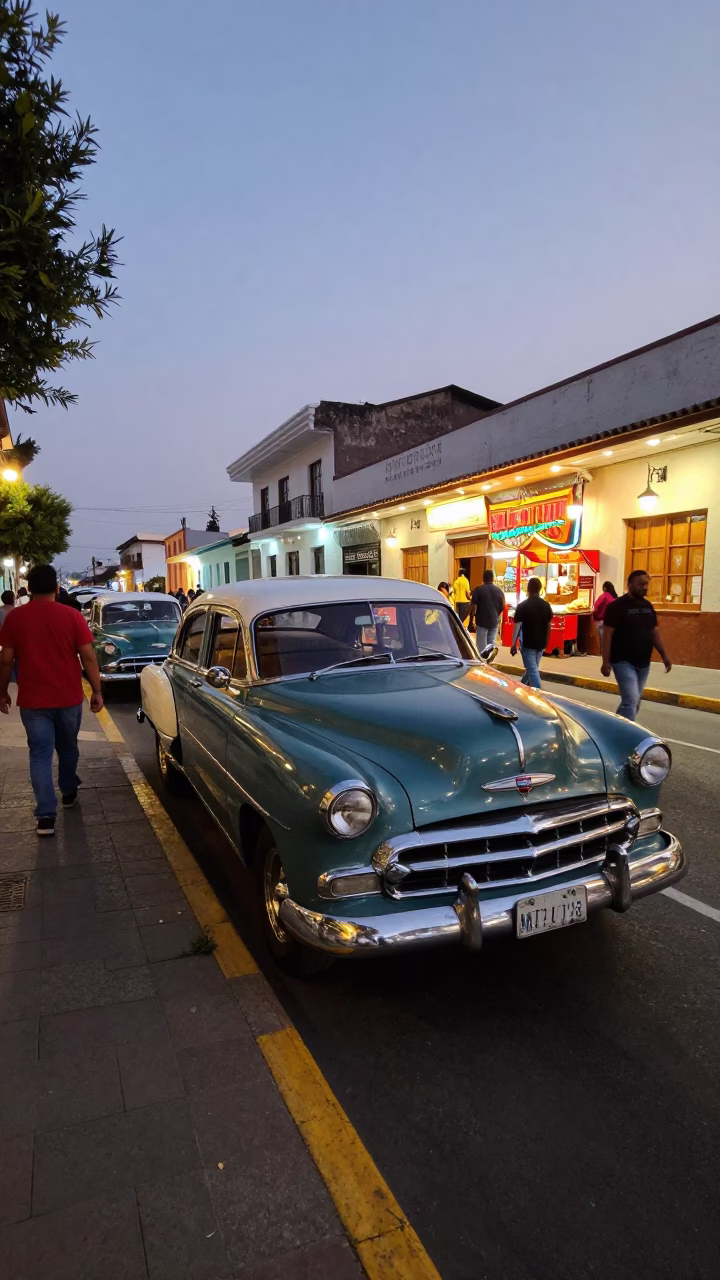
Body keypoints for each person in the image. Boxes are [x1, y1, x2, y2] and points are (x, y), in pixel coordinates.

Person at [0, 564, 104, 836]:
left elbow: (5, 660)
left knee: (39, 755)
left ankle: (45, 816)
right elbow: (88, 656)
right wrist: (97, 690)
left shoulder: (15, 618)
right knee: (68, 748)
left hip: (33, 701)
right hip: (68, 697)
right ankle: (68, 791)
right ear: (57, 588)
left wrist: (1, 693)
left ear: (29, 589)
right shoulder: (72, 616)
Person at [601, 569, 672, 720]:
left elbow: (654, 632)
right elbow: (607, 635)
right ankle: (625, 736)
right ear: (630, 585)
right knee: (631, 700)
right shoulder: (617, 606)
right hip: (622, 660)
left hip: (644, 662)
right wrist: (605, 661)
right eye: (641, 584)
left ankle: (616, 726)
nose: (645, 587)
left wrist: (664, 655)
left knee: (634, 701)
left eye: (646, 584)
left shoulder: (648, 606)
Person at [510, 577, 553, 689]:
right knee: (532, 669)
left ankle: (540, 696)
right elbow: (549, 625)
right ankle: (520, 689)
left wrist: (513, 643)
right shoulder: (546, 606)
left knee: (532, 671)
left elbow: (517, 625)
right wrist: (546, 641)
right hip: (541, 644)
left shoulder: (522, 606)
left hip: (528, 644)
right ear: (540, 589)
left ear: (528, 589)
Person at [469, 569, 505, 650]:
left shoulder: (478, 590)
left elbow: (473, 608)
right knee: (490, 646)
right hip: (494, 622)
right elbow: (502, 607)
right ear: (492, 578)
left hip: (481, 622)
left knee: (481, 647)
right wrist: (495, 614)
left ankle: (482, 661)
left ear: (483, 578)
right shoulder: (500, 592)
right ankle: (489, 661)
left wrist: (471, 622)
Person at [592, 580, 617, 651]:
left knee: (602, 638)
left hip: (602, 620)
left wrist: (595, 616)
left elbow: (596, 606)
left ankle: (603, 651)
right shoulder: (615, 597)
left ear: (605, 588)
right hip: (613, 620)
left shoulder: (604, 596)